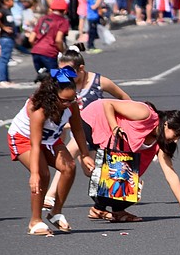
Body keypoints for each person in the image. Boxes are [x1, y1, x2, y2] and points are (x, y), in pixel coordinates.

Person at [8, 67, 95, 235]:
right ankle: (35, 221)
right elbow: (35, 144)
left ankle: (56, 211)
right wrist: (34, 174)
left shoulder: (71, 105)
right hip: (23, 138)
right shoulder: (38, 110)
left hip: (50, 138)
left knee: (69, 167)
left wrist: (85, 155)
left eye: (71, 99)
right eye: (64, 100)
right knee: (43, 174)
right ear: (52, 95)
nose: (68, 104)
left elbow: (77, 130)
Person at [82, 98, 180, 222]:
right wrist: (114, 127)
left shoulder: (160, 143)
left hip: (113, 146)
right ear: (166, 125)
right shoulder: (145, 114)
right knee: (113, 176)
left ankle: (114, 210)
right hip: (94, 119)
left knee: (133, 183)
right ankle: (99, 208)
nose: (175, 141)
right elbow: (108, 104)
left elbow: (170, 173)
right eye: (176, 135)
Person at [43, 44, 131, 205]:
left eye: (69, 71)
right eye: (61, 71)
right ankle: (51, 195)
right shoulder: (63, 83)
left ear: (81, 69)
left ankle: (51, 195)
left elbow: (125, 99)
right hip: (79, 132)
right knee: (84, 168)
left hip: (100, 131)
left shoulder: (100, 82)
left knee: (76, 161)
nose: (64, 75)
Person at [26, 0, 71, 74]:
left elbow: (31, 39)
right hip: (50, 52)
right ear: (65, 11)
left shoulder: (42, 19)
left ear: (51, 9)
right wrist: (63, 51)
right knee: (56, 77)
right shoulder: (63, 21)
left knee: (43, 77)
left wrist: (38, 48)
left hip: (36, 51)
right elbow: (58, 40)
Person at [0, 0, 15, 87]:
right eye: (11, 0)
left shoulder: (8, 10)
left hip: (10, 38)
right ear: (6, 1)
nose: (13, 2)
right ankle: (2, 79)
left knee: (6, 58)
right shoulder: (3, 10)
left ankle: (6, 78)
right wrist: (3, 27)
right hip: (5, 38)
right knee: (3, 59)